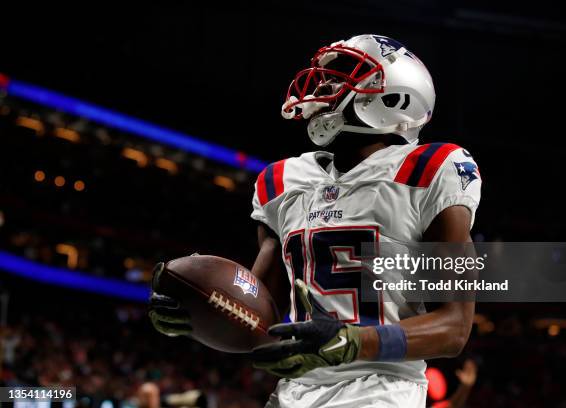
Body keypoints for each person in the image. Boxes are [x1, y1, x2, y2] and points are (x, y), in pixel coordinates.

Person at [149, 34, 482, 408]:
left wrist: (352, 342)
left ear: (394, 97)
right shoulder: (282, 181)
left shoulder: (433, 170)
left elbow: (454, 327)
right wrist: (201, 309)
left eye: (342, 76)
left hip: (381, 392)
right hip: (294, 391)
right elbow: (261, 318)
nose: (322, 84)